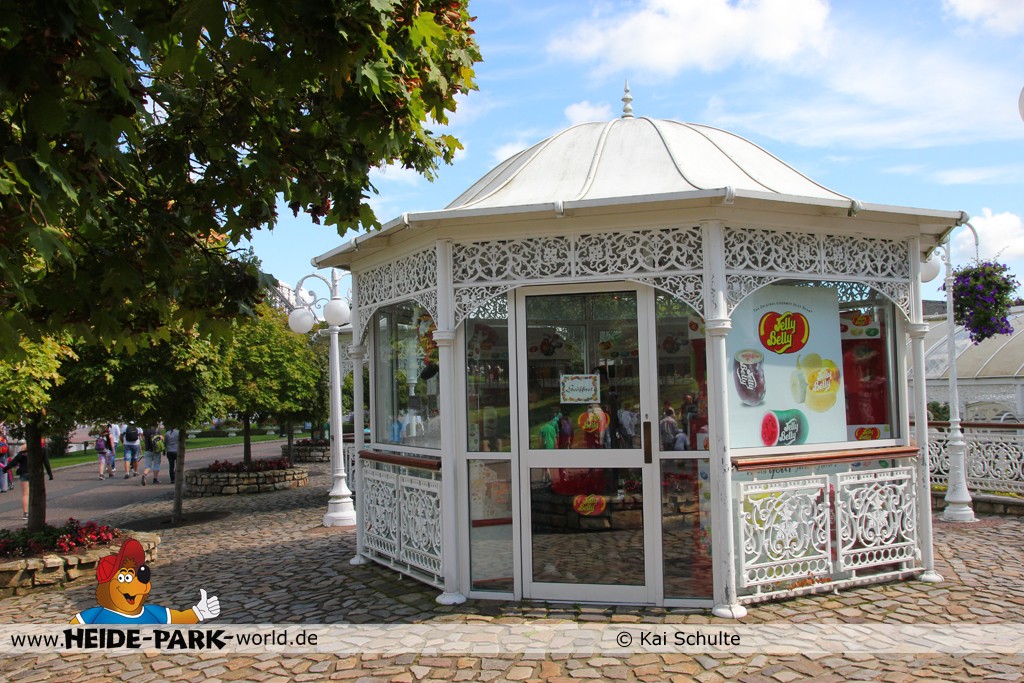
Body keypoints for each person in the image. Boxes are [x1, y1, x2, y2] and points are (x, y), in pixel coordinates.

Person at [2, 448, 30, 520]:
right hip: (35, 473)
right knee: (36, 493)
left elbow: (13, 462)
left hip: (24, 473)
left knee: (25, 494)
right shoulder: (38, 451)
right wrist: (49, 474)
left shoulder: (22, 454)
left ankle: (25, 513)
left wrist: (5, 469)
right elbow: (45, 461)